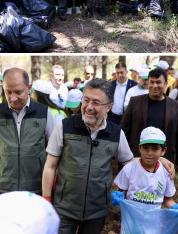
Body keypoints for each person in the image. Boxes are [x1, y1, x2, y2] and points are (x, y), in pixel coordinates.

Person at [42, 78, 136, 234]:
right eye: (86, 100)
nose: (89, 107)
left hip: (96, 211)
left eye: (96, 102)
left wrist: (158, 160)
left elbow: (129, 163)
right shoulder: (65, 126)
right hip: (64, 208)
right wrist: (46, 200)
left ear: (109, 107)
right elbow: (50, 166)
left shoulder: (116, 133)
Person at [0, 68, 56, 199]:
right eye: (8, 92)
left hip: (36, 186)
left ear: (29, 88)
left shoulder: (43, 112)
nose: (13, 98)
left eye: (18, 92)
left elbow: (54, 148)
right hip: (4, 186)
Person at [120, 67, 178, 168]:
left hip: (165, 161)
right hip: (137, 158)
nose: (154, 86)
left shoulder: (176, 106)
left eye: (158, 82)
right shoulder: (135, 102)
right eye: (152, 82)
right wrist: (125, 157)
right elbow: (124, 131)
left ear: (166, 83)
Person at [113, 127, 177, 213]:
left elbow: (168, 199)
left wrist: (177, 209)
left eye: (155, 149)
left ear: (163, 151)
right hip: (132, 220)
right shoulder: (129, 169)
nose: (149, 153)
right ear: (139, 148)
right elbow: (122, 192)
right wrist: (118, 197)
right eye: (145, 147)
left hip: (153, 221)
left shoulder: (166, 173)